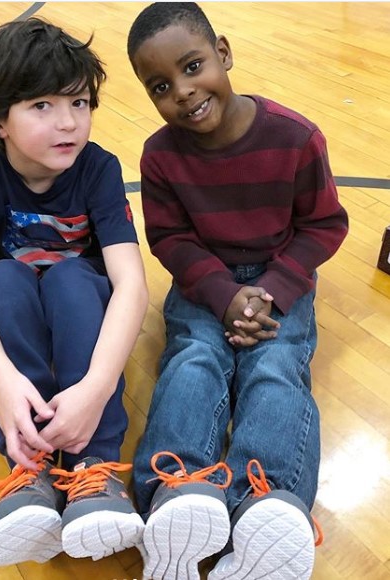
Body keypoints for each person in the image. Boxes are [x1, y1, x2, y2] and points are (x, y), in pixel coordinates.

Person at [126, 3, 348, 579]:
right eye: (160, 87)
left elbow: (324, 225)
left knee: (275, 365)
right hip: (203, 284)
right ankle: (176, 489)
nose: (182, 91)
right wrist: (223, 294)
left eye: (192, 66)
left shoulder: (296, 137)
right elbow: (170, 237)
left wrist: (272, 289)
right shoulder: (159, 154)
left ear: (222, 53)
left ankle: (264, 502)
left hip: (279, 281)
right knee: (194, 358)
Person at [0, 17, 148, 568]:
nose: (69, 123)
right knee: (1, 279)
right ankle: (29, 468)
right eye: (42, 106)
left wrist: (96, 389)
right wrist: (2, 381)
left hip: (74, 304)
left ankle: (93, 468)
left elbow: (131, 284)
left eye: (79, 102)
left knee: (72, 278)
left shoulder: (98, 168)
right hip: (15, 305)